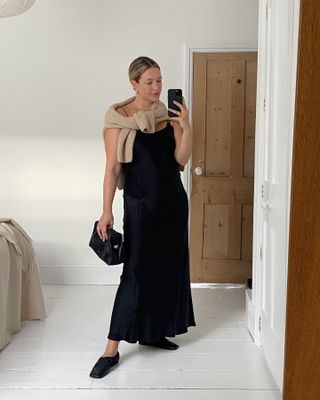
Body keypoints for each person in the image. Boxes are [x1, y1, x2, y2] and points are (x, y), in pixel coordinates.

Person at [89, 56, 196, 379]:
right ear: (133, 84)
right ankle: (111, 350)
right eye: (149, 82)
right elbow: (112, 169)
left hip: (173, 205)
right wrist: (106, 211)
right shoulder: (118, 121)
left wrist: (186, 126)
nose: (156, 88)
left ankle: (153, 332)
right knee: (134, 274)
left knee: (168, 270)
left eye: (159, 80)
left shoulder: (169, 116)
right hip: (140, 207)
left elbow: (180, 160)